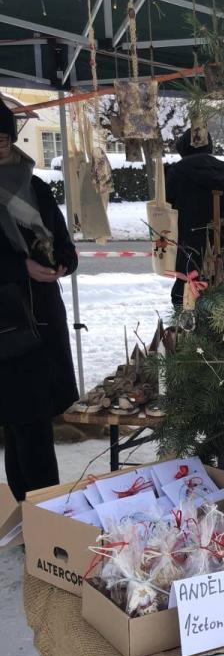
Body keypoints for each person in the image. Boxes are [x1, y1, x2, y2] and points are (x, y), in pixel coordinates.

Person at [0, 100, 79, 500]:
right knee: (23, 425)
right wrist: (21, 268)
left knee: (31, 424)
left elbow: (63, 242)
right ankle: (42, 510)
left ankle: (34, 511)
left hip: (44, 318)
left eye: (3, 136)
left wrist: (63, 263)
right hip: (8, 324)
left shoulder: (36, 186)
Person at [165, 127, 224, 305]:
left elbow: (165, 212)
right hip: (221, 254)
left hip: (188, 252)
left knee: (185, 303)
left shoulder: (176, 174)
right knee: (218, 305)